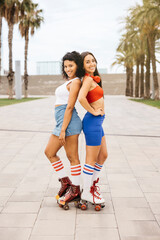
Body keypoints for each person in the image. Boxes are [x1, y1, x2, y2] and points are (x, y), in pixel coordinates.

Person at [45, 51, 83, 206]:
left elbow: (69, 107)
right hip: (62, 122)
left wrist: (62, 130)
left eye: (71, 65)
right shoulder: (69, 81)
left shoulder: (76, 82)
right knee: (49, 152)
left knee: (72, 157)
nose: (68, 68)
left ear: (77, 66)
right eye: (66, 66)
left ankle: (75, 190)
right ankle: (66, 183)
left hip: (69, 122)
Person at [78, 51, 108, 208]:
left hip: (98, 122)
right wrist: (93, 111)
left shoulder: (93, 79)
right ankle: (87, 193)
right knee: (91, 160)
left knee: (103, 155)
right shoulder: (88, 79)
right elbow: (81, 98)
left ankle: (92, 186)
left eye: (93, 60)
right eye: (87, 62)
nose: (92, 64)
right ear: (83, 65)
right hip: (93, 122)